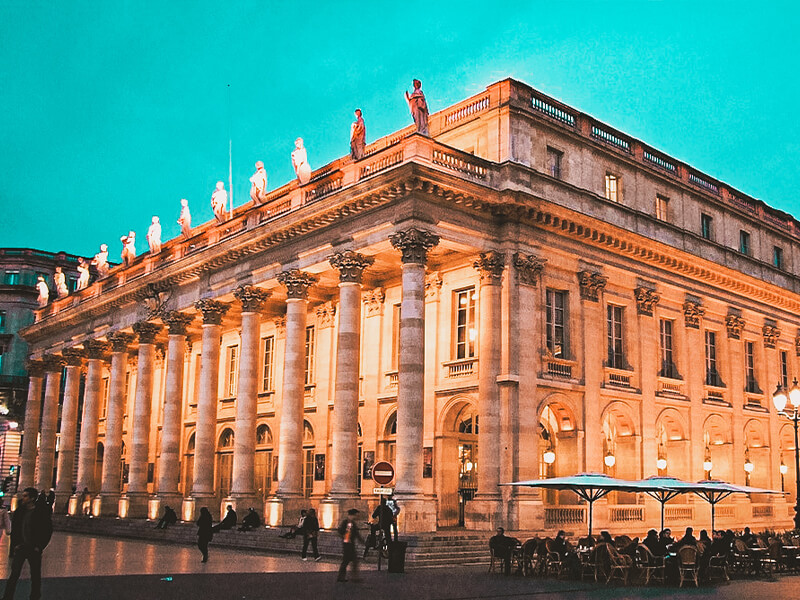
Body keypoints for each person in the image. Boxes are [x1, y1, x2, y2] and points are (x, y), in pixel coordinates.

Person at [2, 487, 53, 600]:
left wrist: (39, 546)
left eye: (25, 496)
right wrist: (15, 545)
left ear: (32, 498)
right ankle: (7, 597)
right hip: (21, 547)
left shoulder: (41, 512)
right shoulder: (20, 511)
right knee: (14, 574)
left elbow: (47, 530)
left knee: (35, 575)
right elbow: (15, 529)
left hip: (33, 547)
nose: (23, 498)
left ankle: (35, 596)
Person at [337, 508, 362, 582]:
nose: (357, 517)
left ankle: (353, 577)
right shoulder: (346, 522)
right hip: (347, 544)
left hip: (350, 544)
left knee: (353, 561)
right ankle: (343, 577)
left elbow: (356, 534)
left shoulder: (352, 523)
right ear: (353, 515)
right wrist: (344, 536)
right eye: (356, 515)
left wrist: (361, 541)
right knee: (346, 561)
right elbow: (340, 531)